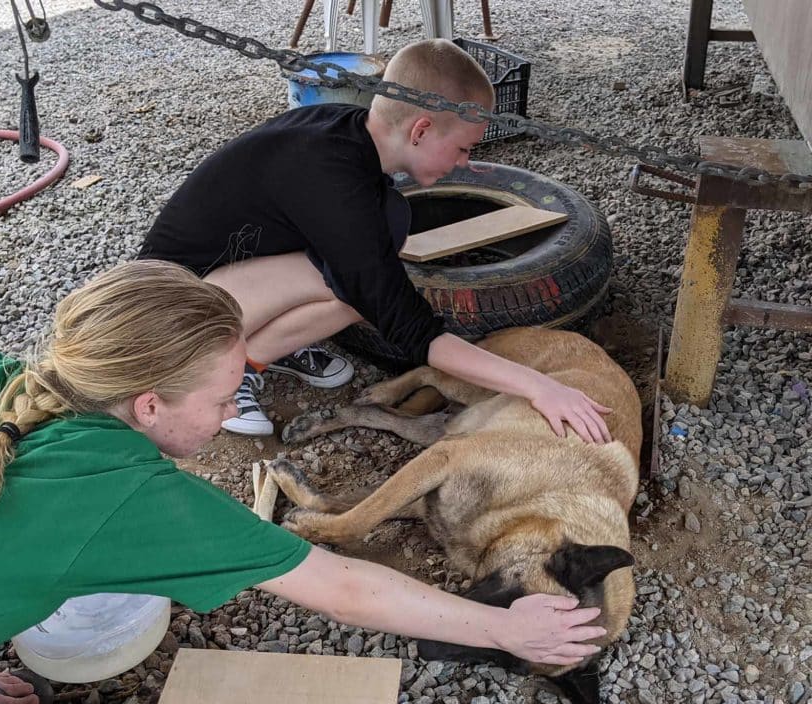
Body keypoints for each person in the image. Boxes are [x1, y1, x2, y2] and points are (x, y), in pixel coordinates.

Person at [0, 261, 605, 704]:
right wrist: (503, 627)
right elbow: (340, 587)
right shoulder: (130, 497)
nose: (228, 417)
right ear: (147, 404)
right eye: (222, 399)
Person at [141, 39, 613, 441]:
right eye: (464, 147)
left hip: (221, 282)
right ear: (421, 129)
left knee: (370, 266)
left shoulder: (350, 133)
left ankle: (255, 356)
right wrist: (539, 386)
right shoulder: (335, 181)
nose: (466, 163)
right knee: (359, 282)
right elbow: (416, 333)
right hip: (170, 317)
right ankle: (220, 368)